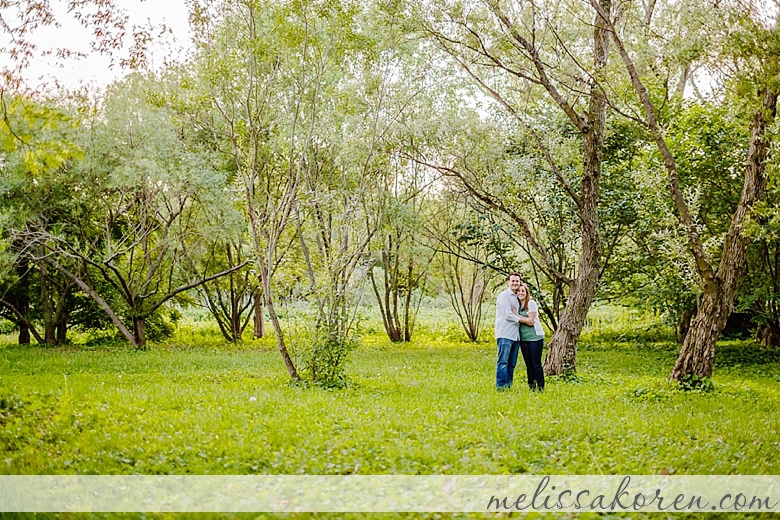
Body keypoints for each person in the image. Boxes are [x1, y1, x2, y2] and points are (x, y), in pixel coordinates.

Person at [494, 272, 522, 390]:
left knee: (512, 363)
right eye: (513, 281)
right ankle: (500, 386)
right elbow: (508, 315)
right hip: (505, 333)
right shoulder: (504, 296)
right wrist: (524, 320)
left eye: (517, 281)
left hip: (516, 335)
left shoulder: (519, 297)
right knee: (503, 362)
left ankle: (508, 385)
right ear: (508, 282)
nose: (515, 283)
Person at [516, 283, 545, 391]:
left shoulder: (531, 303)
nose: (520, 293)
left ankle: (541, 386)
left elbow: (531, 322)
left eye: (523, 291)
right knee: (528, 364)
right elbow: (525, 320)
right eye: (518, 291)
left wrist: (515, 315)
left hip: (535, 338)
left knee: (536, 363)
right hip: (523, 339)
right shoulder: (517, 305)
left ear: (527, 293)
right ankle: (531, 386)